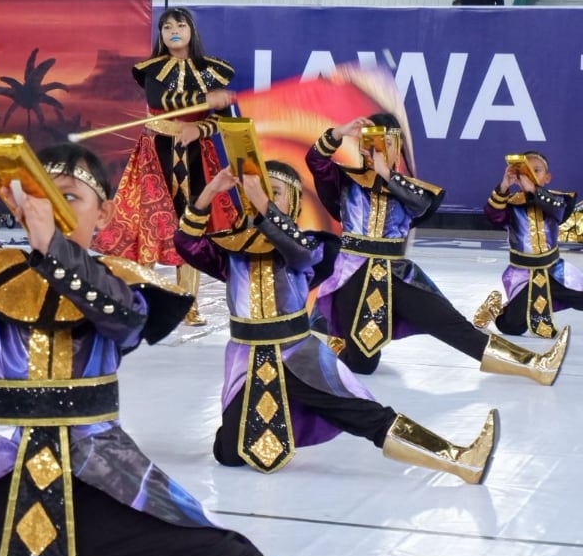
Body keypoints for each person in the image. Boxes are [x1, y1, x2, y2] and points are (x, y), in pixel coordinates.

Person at [0, 142, 322, 556]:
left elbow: (125, 321)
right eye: (38, 196)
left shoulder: (121, 284)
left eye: (69, 197)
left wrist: (56, 250)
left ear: (104, 214)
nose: (50, 208)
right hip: (2, 486)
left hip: (104, 480)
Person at [175, 159, 498, 484]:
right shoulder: (230, 251)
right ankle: (282, 418)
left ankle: (458, 459)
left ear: (295, 202)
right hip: (247, 362)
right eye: (256, 192)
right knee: (228, 454)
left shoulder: (312, 246)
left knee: (368, 416)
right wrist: (211, 192)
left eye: (275, 192)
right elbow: (186, 243)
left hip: (299, 356)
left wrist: (263, 207)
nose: (263, 197)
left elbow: (297, 252)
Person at [307, 114, 568, 385]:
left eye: (386, 142)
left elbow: (422, 205)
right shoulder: (346, 181)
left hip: (399, 276)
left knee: (454, 326)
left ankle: (535, 365)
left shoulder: (414, 190)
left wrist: (387, 174)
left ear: (397, 147)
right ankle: (334, 347)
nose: (376, 148)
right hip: (353, 277)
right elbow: (316, 161)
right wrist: (339, 132)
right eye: (370, 141)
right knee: (363, 364)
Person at [94, 6, 237, 326]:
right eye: (166, 26)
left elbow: (224, 121)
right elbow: (161, 102)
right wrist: (205, 99)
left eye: (180, 25)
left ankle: (189, 303)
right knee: (151, 223)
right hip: (156, 153)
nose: (173, 30)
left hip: (196, 153)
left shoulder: (215, 71)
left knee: (193, 223)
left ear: (191, 32)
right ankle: (145, 302)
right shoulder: (151, 69)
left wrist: (202, 126)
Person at [474, 151, 583, 338]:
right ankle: (495, 308)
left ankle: (539, 305)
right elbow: (493, 216)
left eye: (537, 170)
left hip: (554, 272)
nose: (530, 175)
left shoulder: (557, 201)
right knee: (512, 327)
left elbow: (558, 212)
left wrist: (533, 190)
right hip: (523, 274)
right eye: (525, 172)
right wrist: (504, 186)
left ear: (547, 178)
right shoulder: (511, 204)